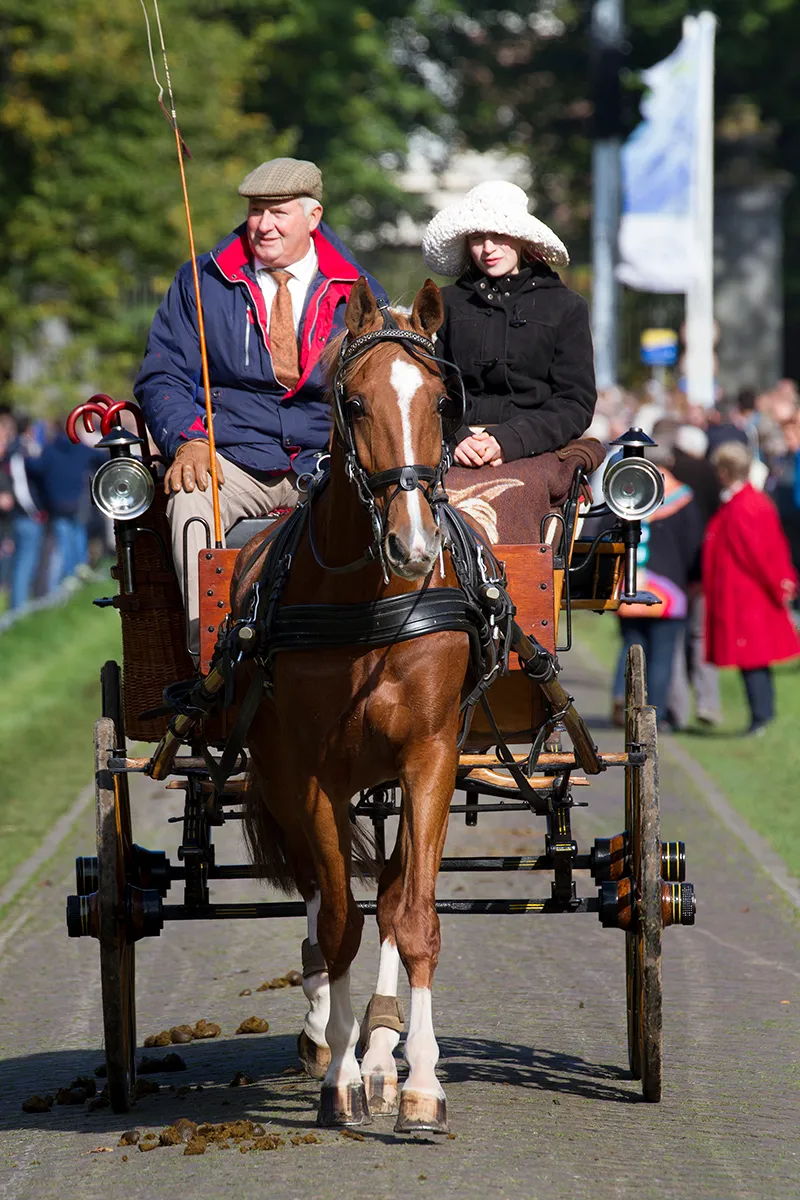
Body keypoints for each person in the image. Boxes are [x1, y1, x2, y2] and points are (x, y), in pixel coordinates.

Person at [135, 157, 388, 651]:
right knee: (189, 506)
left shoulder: (358, 290)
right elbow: (162, 372)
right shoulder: (202, 280)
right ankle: (211, 661)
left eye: (279, 212)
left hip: (327, 462)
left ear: (313, 218)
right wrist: (187, 442)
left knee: (389, 507)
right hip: (231, 459)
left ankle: (359, 656)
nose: (263, 225)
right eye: (256, 211)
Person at [421, 181, 596, 468]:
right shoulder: (445, 303)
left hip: (536, 453)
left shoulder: (566, 306)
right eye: (477, 237)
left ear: (520, 237)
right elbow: (428, 387)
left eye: (499, 235)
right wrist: (456, 436)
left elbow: (575, 402)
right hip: (453, 452)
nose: (488, 248)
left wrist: (509, 440)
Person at [703, 441, 800, 735]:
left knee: (753, 660)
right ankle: (761, 716)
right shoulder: (746, 501)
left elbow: (759, 553)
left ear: (724, 471)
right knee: (753, 661)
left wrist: (778, 586)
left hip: (748, 596)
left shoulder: (745, 505)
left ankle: (761, 718)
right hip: (747, 593)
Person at [610, 441, 704, 728]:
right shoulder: (683, 498)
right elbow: (694, 548)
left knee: (630, 646)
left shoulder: (625, 491)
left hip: (631, 586)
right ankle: (656, 715)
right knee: (663, 656)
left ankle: (619, 697)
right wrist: (694, 582)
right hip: (671, 590)